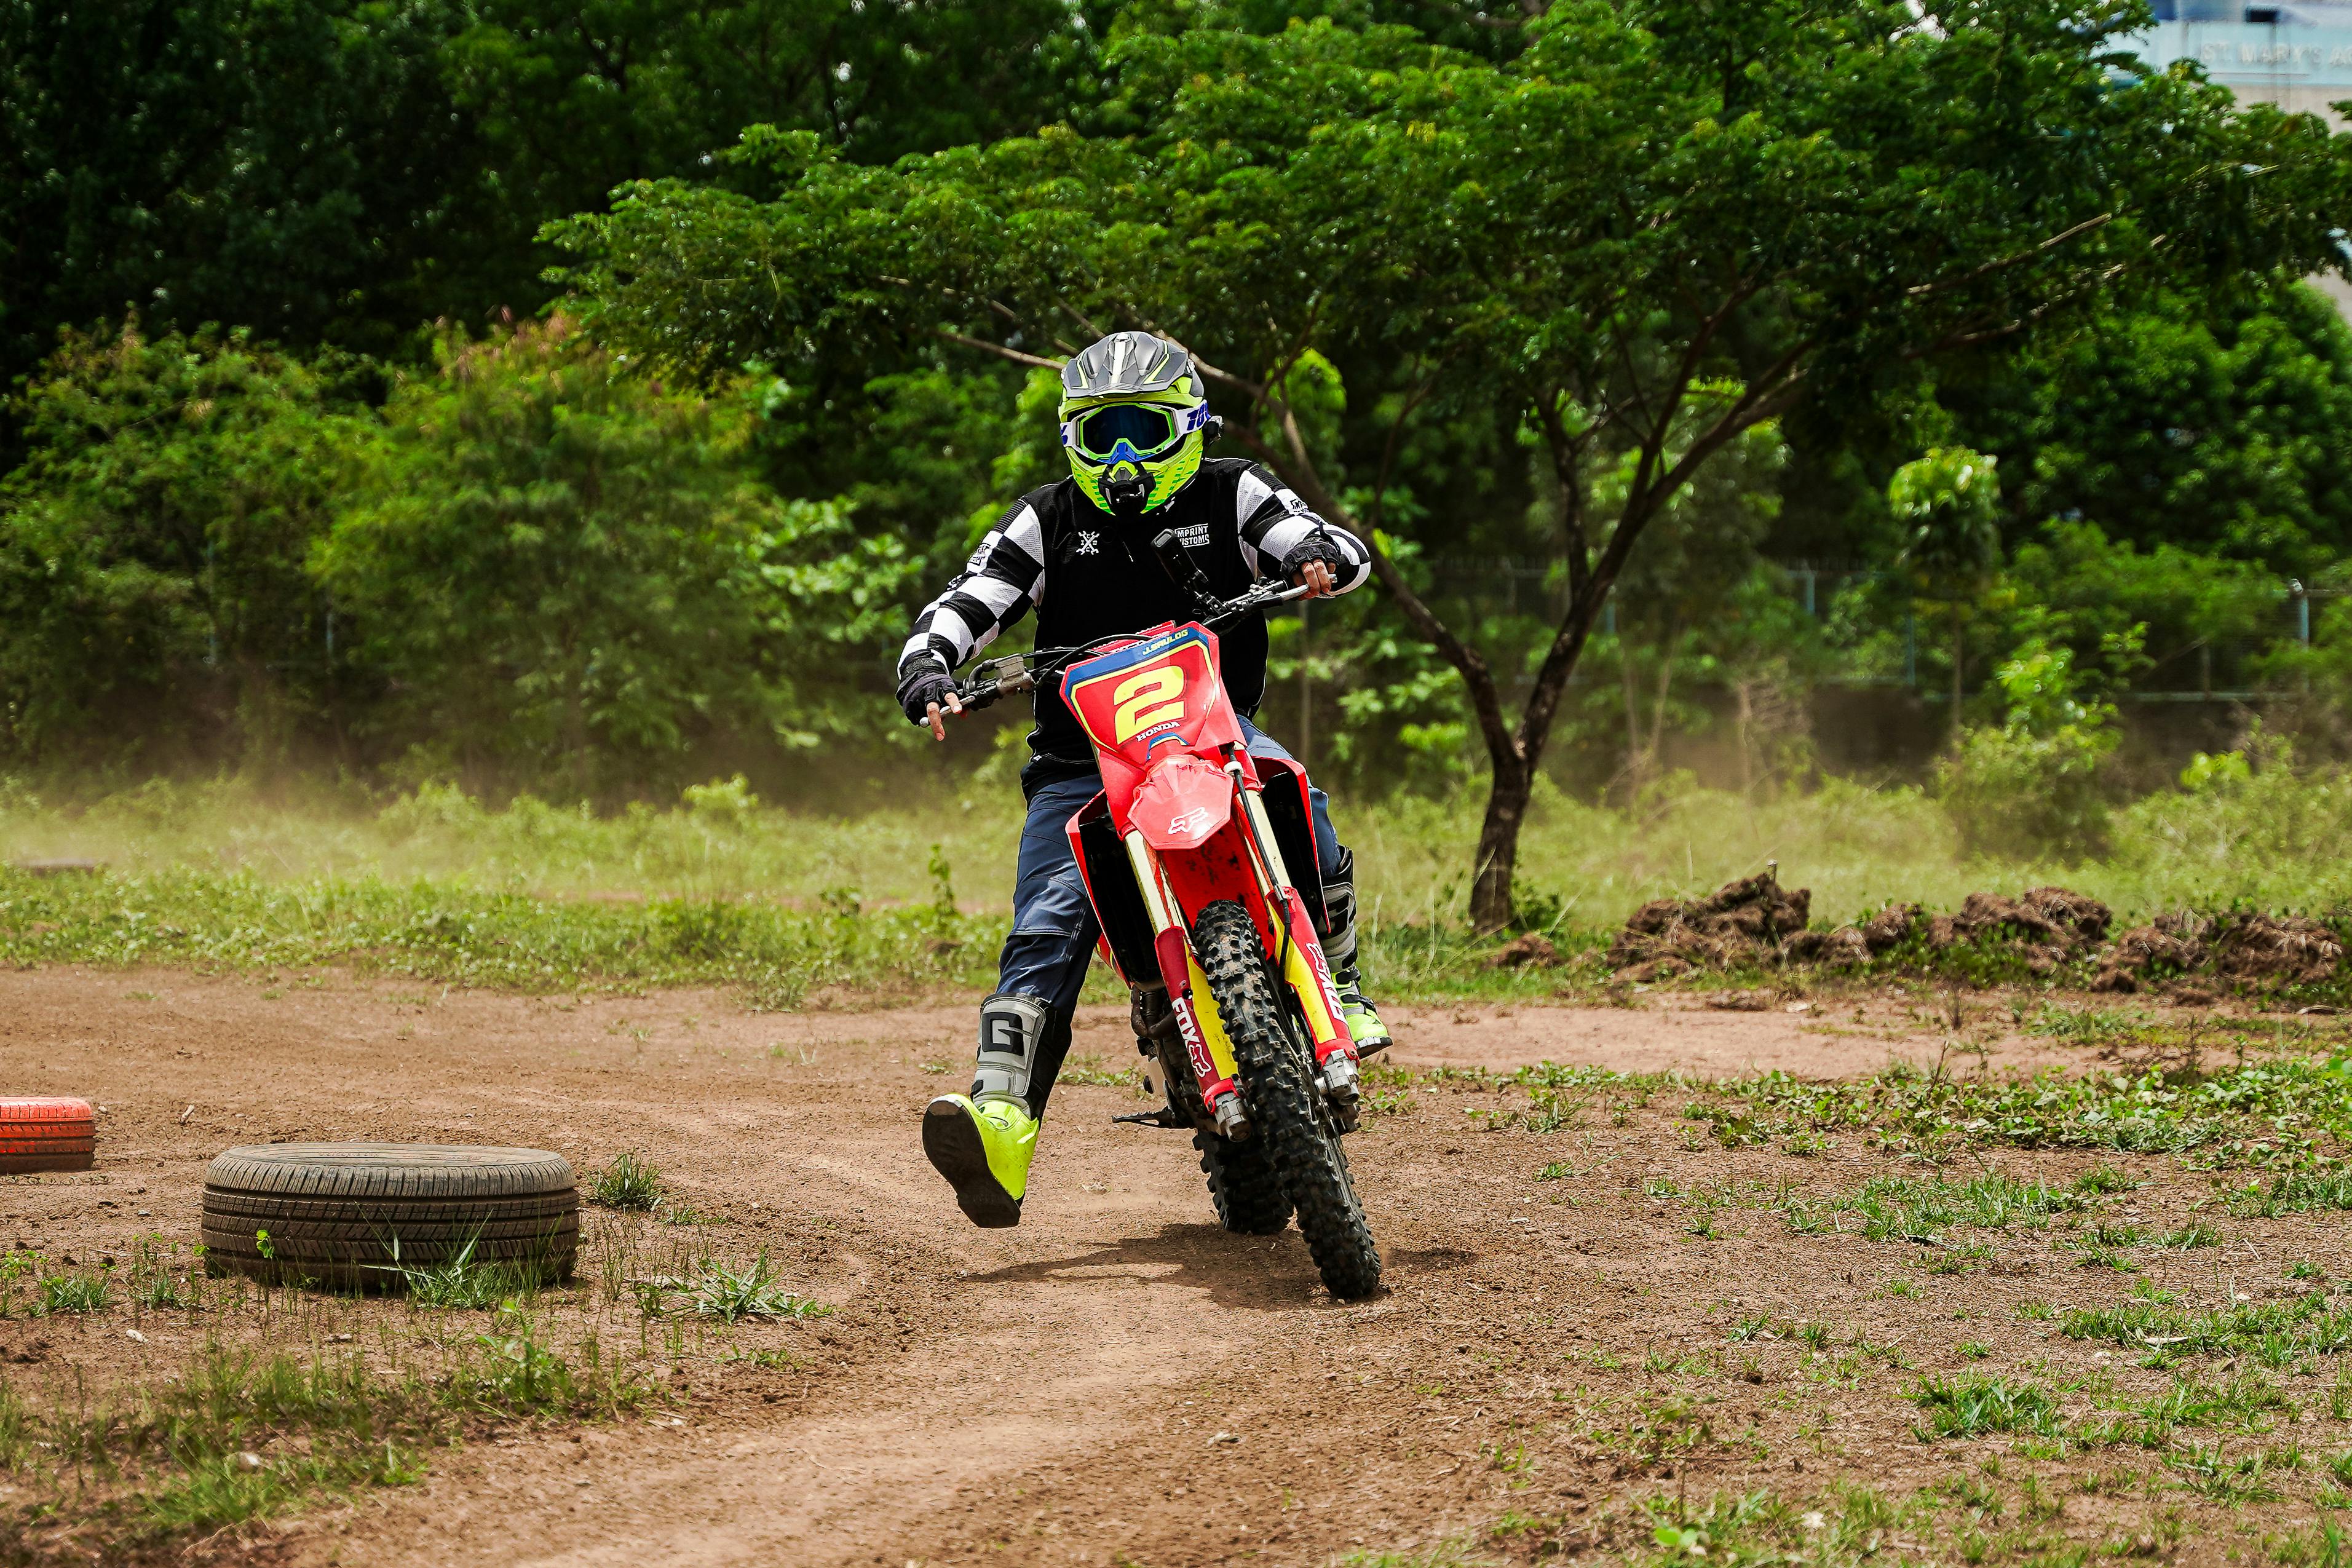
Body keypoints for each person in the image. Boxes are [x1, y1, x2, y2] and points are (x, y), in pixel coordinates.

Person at [895, 330, 1390, 1229]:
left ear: (1189, 426)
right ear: (1071, 441)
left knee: (1297, 796)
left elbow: (1326, 544)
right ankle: (999, 1118)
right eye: (1101, 434)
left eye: (1142, 430)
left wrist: (1315, 555)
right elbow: (966, 601)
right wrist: (930, 664)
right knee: (1045, 925)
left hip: (1210, 734)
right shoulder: (1043, 519)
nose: (1122, 456)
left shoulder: (1231, 489)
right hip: (1081, 765)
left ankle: (1344, 989)